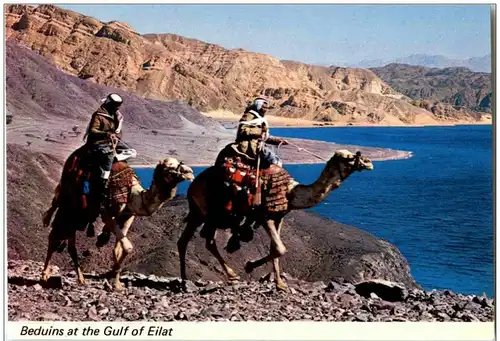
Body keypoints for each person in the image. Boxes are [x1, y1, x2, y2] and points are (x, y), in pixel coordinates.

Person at [83, 93, 127, 237]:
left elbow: (119, 132)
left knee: (129, 152)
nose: (117, 108)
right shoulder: (99, 115)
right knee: (108, 155)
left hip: (111, 143)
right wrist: (106, 134)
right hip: (98, 144)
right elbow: (93, 130)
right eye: (115, 106)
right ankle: (104, 178)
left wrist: (116, 136)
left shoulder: (117, 116)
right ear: (110, 104)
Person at [215, 97, 288, 168]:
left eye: (266, 107)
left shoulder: (261, 119)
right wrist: (259, 132)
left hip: (259, 145)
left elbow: (265, 136)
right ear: (258, 105)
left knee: (274, 161)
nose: (265, 109)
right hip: (249, 146)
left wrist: (278, 141)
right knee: (274, 160)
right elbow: (242, 130)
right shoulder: (249, 116)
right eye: (263, 106)